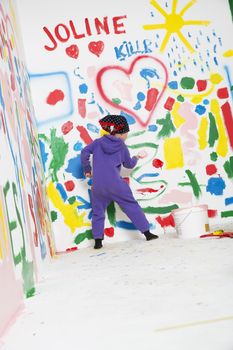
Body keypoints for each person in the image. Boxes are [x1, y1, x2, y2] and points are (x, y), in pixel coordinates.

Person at [81, 115, 158, 249]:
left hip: (98, 186)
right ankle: (147, 233)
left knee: (98, 213)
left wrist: (87, 169)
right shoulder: (121, 146)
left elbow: (84, 152)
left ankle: (98, 242)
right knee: (131, 206)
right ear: (121, 133)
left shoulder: (98, 143)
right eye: (127, 132)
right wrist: (136, 157)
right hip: (116, 185)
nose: (127, 135)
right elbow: (128, 165)